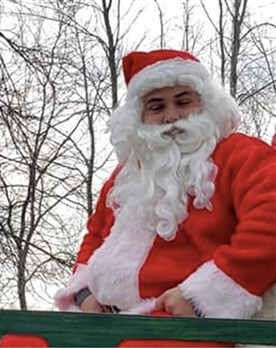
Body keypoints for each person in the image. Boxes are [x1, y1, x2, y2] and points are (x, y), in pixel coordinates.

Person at [54, 49, 276, 347]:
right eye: (157, 107)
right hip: (106, 322)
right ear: (139, 118)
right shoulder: (125, 177)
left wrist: (201, 299)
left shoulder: (240, 154)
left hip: (186, 326)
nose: (171, 116)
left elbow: (270, 220)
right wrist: (84, 294)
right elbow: (94, 239)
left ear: (206, 104)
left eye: (183, 101)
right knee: (24, 340)